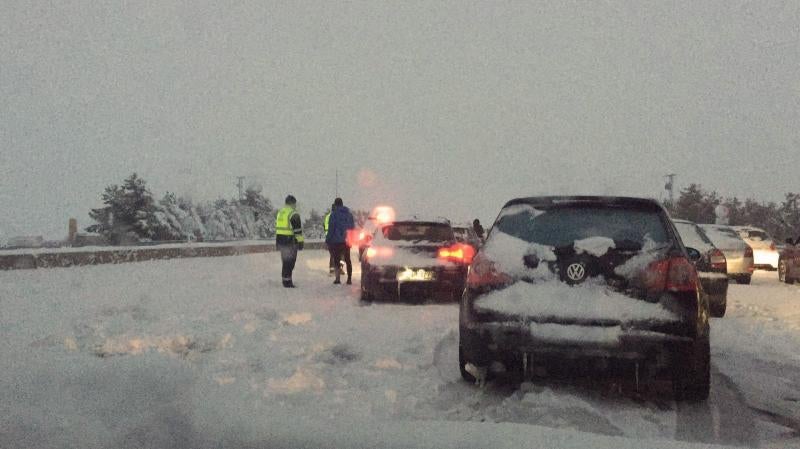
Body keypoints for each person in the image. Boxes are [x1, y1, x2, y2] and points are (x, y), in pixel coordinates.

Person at [275, 195, 304, 288]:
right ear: (292, 203)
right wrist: (300, 242)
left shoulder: (280, 212)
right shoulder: (293, 214)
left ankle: (285, 280)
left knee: (285, 261)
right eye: (295, 203)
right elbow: (298, 231)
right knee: (290, 262)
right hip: (290, 241)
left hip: (280, 240)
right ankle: (288, 282)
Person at [325, 197, 355, 285]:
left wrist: (328, 240)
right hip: (347, 241)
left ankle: (337, 279)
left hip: (336, 241)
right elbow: (352, 228)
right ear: (342, 204)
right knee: (348, 259)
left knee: (337, 260)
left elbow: (331, 229)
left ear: (335, 204)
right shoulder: (349, 215)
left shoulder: (333, 215)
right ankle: (349, 279)